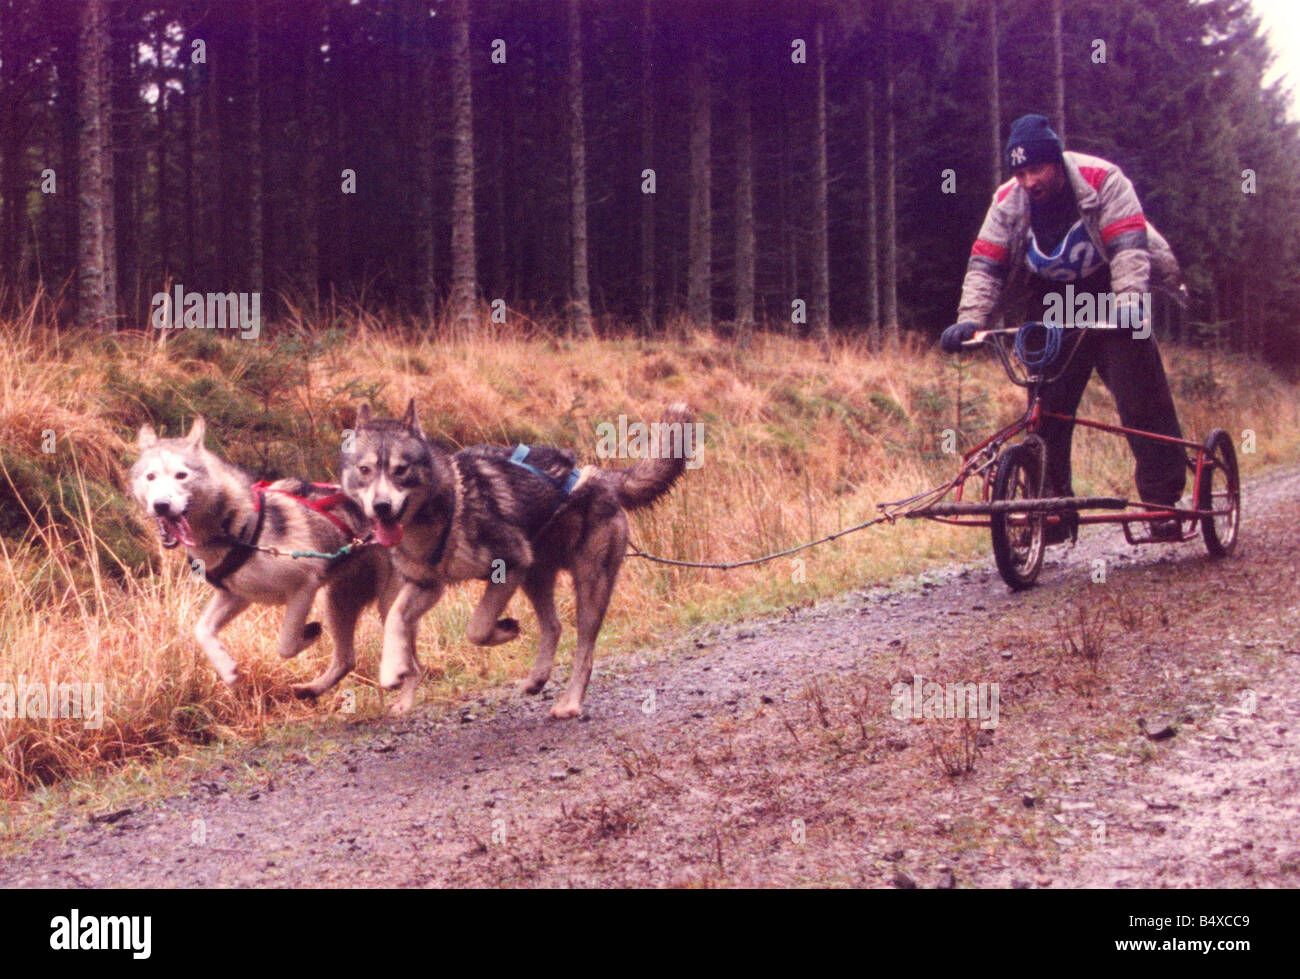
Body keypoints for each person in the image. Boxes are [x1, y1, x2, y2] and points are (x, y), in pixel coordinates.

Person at [940, 114, 1187, 542]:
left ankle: (1163, 503)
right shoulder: (1008, 201)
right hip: (1054, 300)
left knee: (1140, 399)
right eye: (1019, 172)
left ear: (1056, 161)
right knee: (1047, 409)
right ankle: (1052, 510)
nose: (1028, 181)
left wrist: (1129, 306)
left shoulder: (1102, 179)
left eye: (1035, 169)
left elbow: (1129, 250)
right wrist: (970, 321)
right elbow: (987, 265)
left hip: (1110, 293)